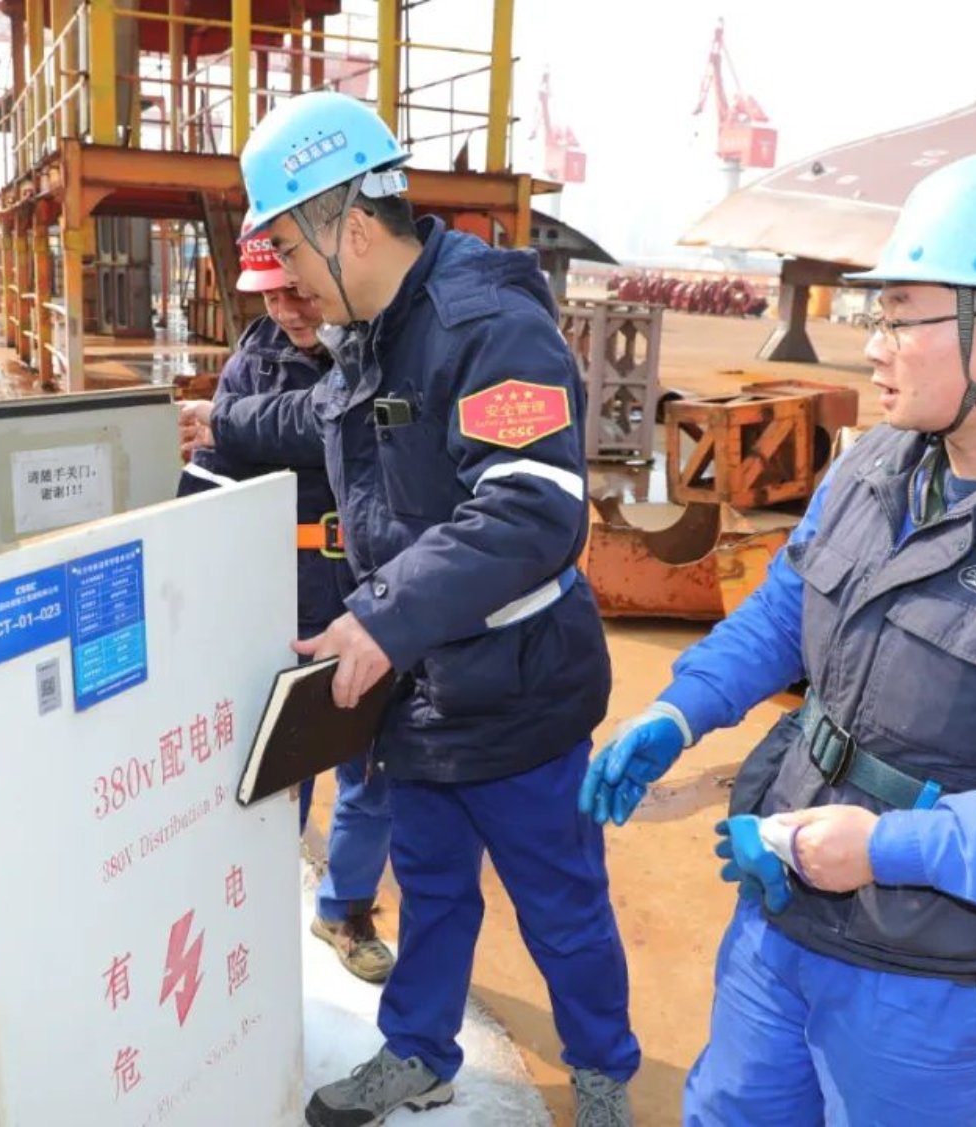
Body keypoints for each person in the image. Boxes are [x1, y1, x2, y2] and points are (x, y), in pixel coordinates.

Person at [578, 149, 976, 1126]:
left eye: (898, 318)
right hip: (784, 900)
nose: (872, 347)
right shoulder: (877, 462)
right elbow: (783, 610)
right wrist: (680, 709)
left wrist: (887, 848)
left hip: (929, 975)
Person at [181, 91, 639, 1127]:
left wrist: (382, 614)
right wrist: (224, 421)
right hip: (421, 695)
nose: (286, 280)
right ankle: (418, 1052)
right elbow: (324, 415)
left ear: (347, 227)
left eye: (286, 248)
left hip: (516, 691)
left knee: (561, 904)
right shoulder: (372, 329)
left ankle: (602, 1073)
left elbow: (530, 507)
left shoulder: (488, 325)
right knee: (432, 892)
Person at [176, 223, 394, 985]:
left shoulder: (377, 349)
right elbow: (213, 475)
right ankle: (256, 915)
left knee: (370, 765)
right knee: (277, 764)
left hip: (371, 587)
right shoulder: (253, 361)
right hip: (281, 589)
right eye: (269, 296)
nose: (288, 310)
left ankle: (345, 908)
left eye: (296, 291)